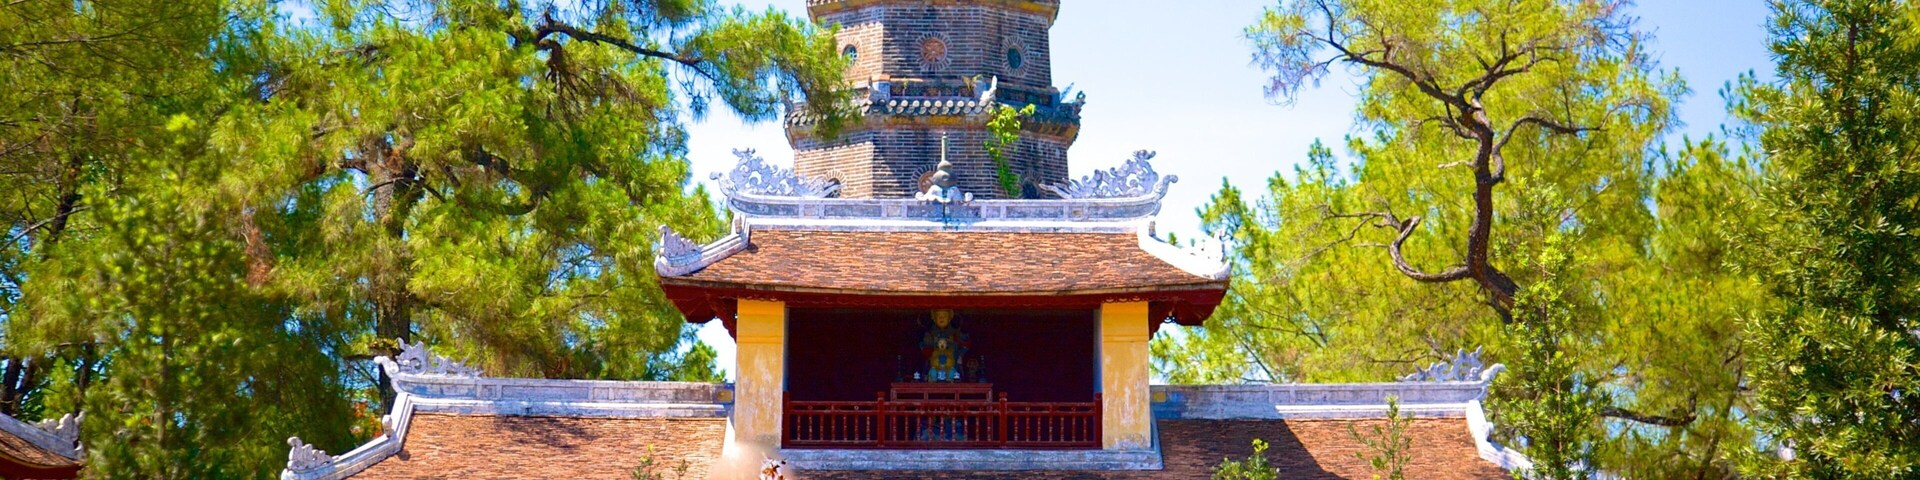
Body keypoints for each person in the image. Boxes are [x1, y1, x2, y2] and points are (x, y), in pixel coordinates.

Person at [919, 309, 970, 382]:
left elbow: (965, 345)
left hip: (952, 364)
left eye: (945, 316)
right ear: (934, 318)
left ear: (949, 318)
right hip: (935, 365)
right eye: (938, 316)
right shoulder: (930, 334)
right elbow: (926, 348)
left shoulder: (955, 333)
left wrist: (960, 355)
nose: (941, 318)